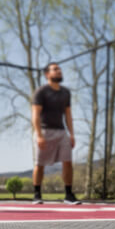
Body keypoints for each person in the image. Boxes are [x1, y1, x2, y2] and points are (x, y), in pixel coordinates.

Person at [31, 63, 80, 205]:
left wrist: (71, 134)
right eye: (55, 69)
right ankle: (37, 194)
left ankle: (69, 195)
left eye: (59, 69)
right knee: (39, 164)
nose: (59, 71)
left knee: (68, 162)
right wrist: (39, 135)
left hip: (61, 132)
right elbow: (35, 114)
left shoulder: (66, 92)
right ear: (47, 74)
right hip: (44, 131)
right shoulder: (41, 92)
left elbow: (68, 115)